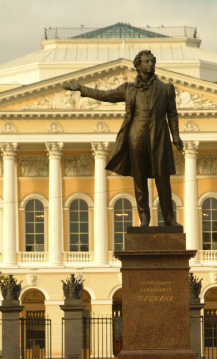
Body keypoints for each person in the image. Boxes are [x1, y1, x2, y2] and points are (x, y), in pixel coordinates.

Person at [63, 50, 183, 227]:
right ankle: (144, 218)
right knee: (139, 178)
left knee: (162, 178)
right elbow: (106, 95)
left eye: (152, 61)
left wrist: (176, 135)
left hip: (159, 136)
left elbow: (172, 114)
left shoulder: (166, 89)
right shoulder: (129, 89)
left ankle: (169, 218)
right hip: (137, 136)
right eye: (147, 61)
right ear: (138, 65)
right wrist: (82, 89)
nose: (150, 64)